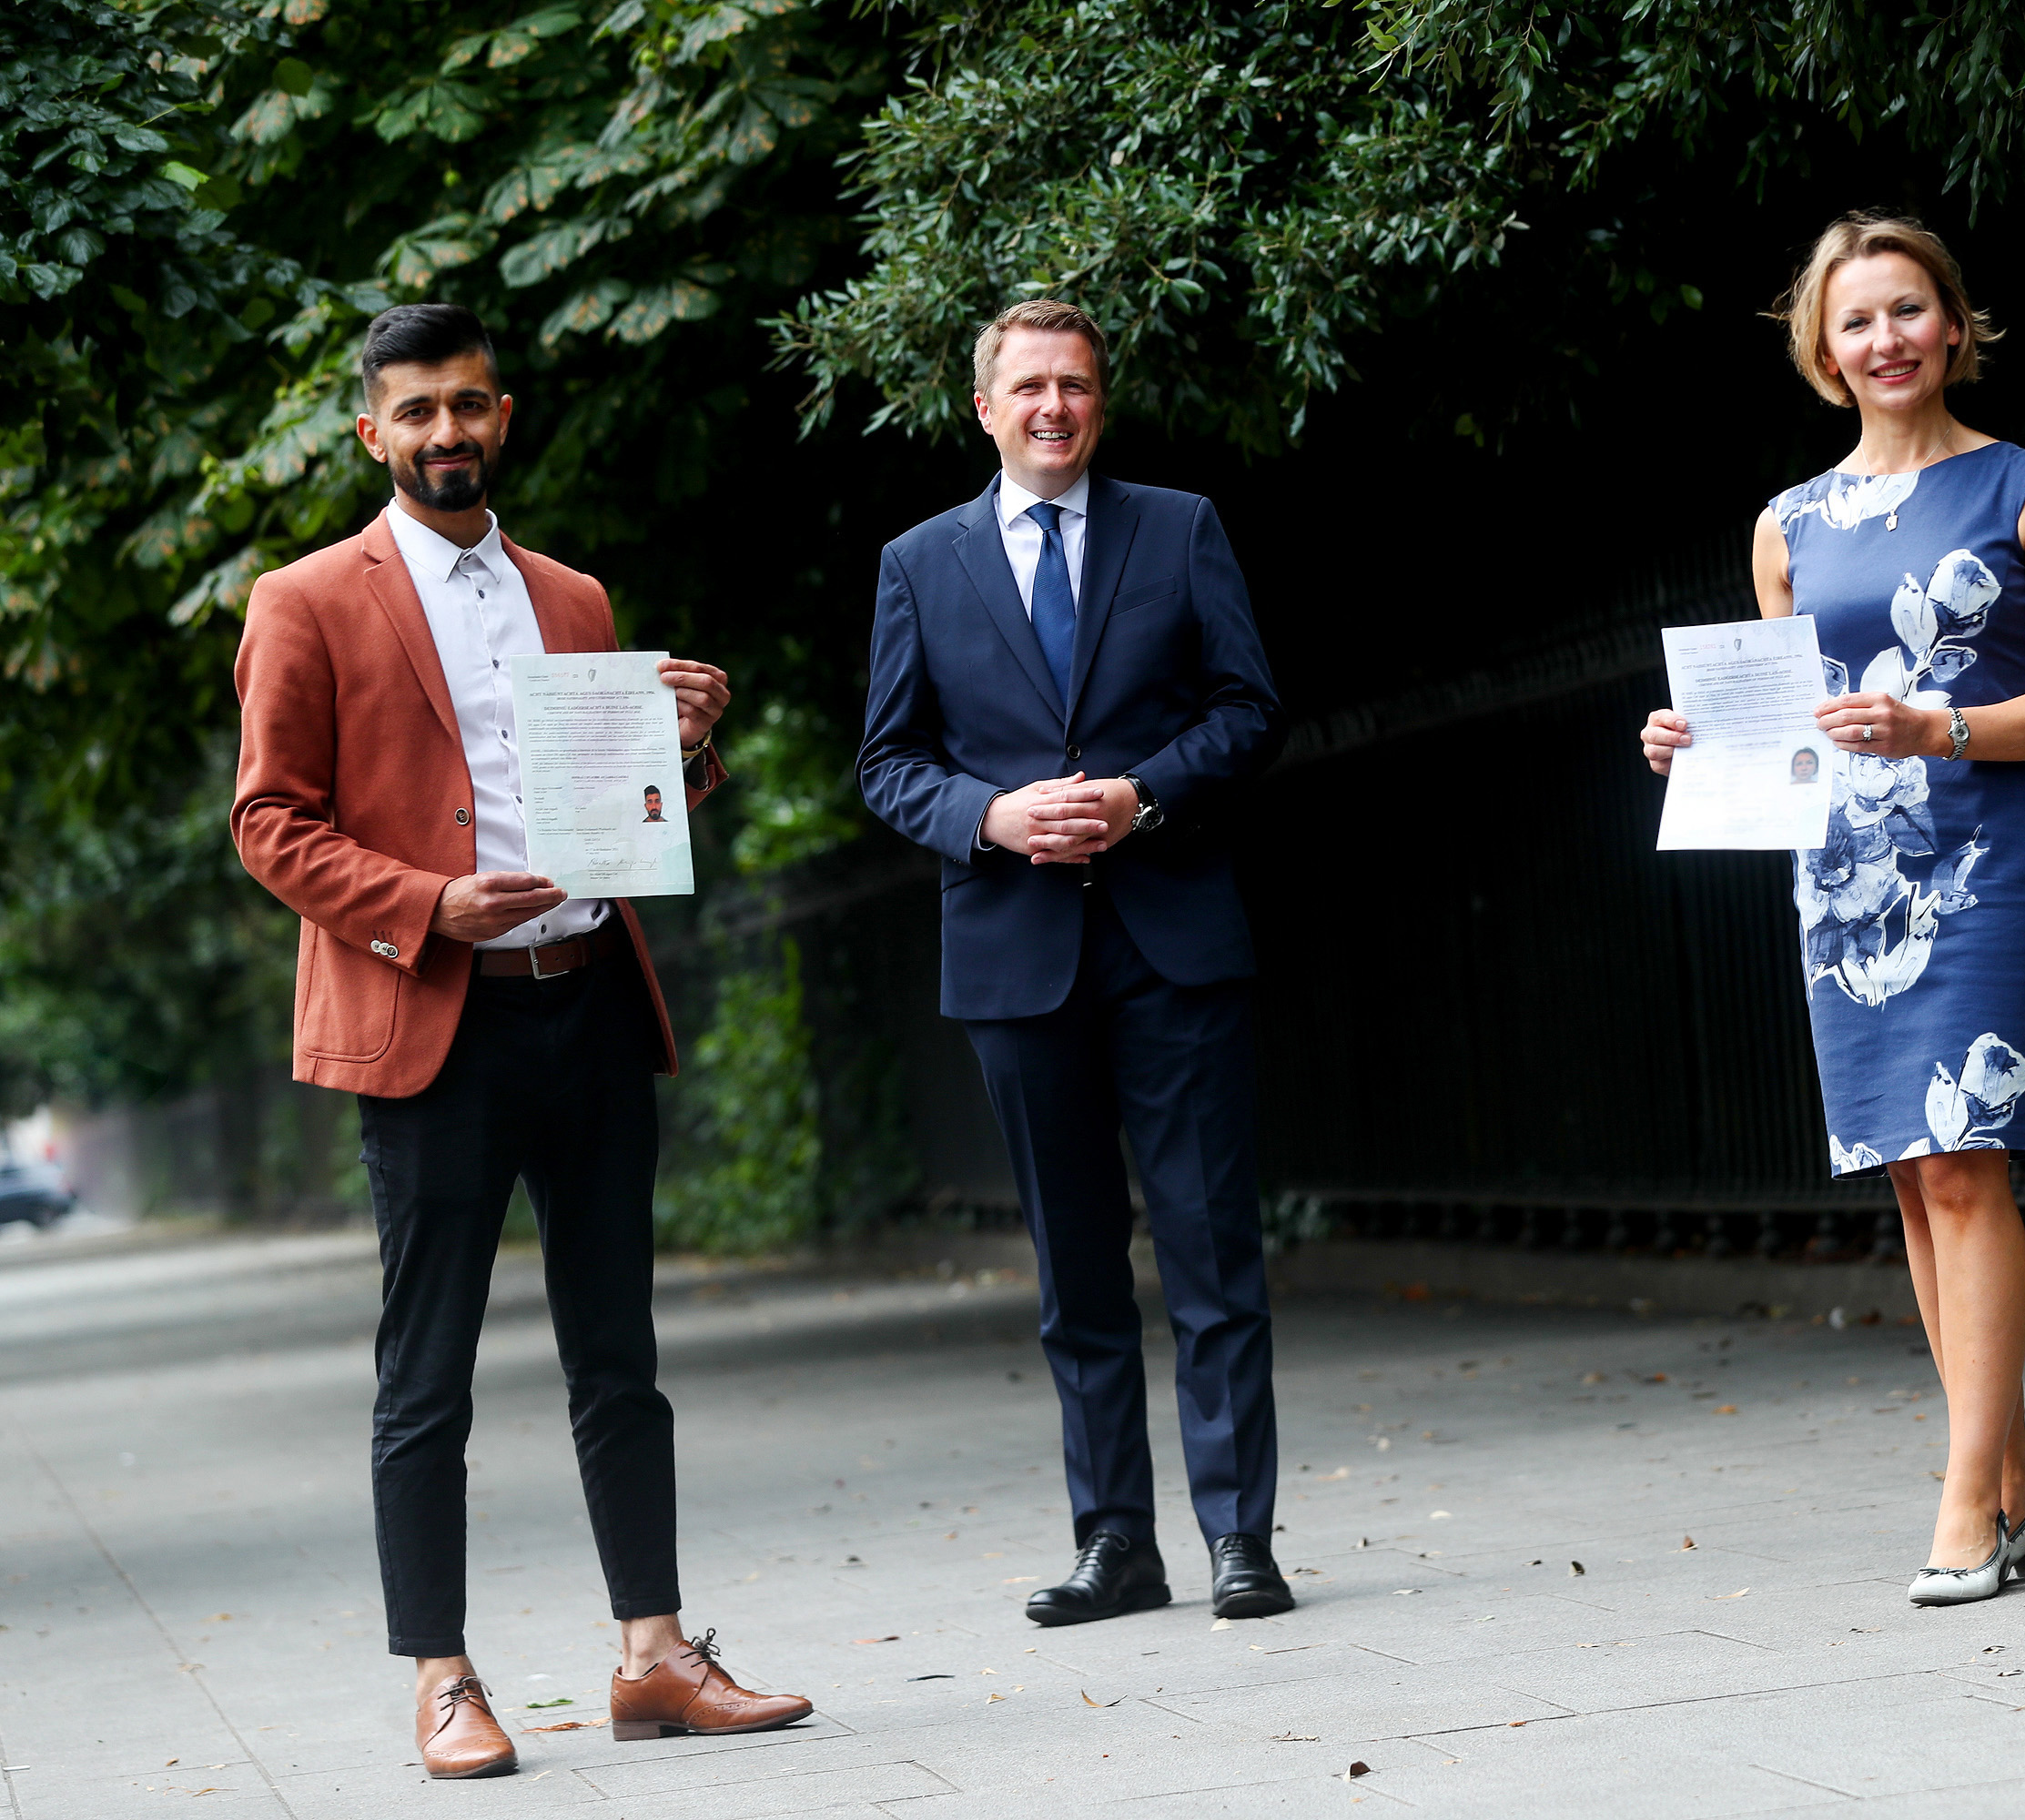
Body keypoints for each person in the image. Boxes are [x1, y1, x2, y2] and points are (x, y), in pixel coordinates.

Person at [231, 303, 811, 1777]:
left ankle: (655, 1655)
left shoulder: (575, 596)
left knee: (620, 1351)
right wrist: (431, 904)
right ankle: (441, 1679)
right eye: (416, 412)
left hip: (592, 1006)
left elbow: (619, 818)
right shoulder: (304, 600)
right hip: (435, 1025)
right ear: (372, 431)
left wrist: (682, 744)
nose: (447, 434)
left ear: (504, 415)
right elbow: (268, 824)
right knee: (425, 1374)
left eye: (470, 406)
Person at [1639, 214, 2025, 1606]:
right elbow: (1780, 726)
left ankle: (1966, 1495)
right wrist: (1690, 745)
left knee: (1965, 1161)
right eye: (1856, 321)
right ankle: (2012, 1487)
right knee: (1913, 1175)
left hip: (1986, 860)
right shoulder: (1785, 524)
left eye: (1907, 311)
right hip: (1845, 874)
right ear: (1822, 351)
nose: (1885, 339)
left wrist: (1941, 730)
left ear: (1953, 328)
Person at [859, 298, 1293, 1626]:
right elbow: (887, 762)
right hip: (1012, 953)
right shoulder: (918, 563)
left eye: (1078, 387)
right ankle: (1116, 1542)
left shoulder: (1180, 528)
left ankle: (1238, 1538)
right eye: (1030, 387)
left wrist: (1141, 796)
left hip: (1171, 938)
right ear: (982, 407)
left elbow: (1247, 710)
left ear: (1100, 403)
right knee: (1075, 1266)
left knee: (1212, 1246)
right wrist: (988, 817)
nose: (1055, 407)